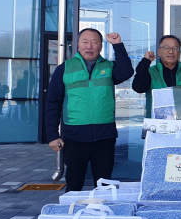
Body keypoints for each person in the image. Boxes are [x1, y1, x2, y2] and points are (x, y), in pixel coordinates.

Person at [45, 29, 135, 192]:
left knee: (104, 185)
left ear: (100, 46)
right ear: (78, 45)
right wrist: (52, 135)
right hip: (74, 136)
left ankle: (101, 208)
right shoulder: (64, 69)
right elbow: (53, 103)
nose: (89, 46)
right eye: (85, 42)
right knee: (74, 184)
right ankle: (72, 208)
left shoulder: (109, 67)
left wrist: (117, 45)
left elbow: (126, 71)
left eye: (94, 42)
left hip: (104, 136)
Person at [132, 34, 181, 117]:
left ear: (179, 53)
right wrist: (145, 62)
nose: (171, 51)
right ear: (159, 52)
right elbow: (139, 88)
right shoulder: (150, 72)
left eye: (175, 48)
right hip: (156, 123)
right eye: (166, 48)